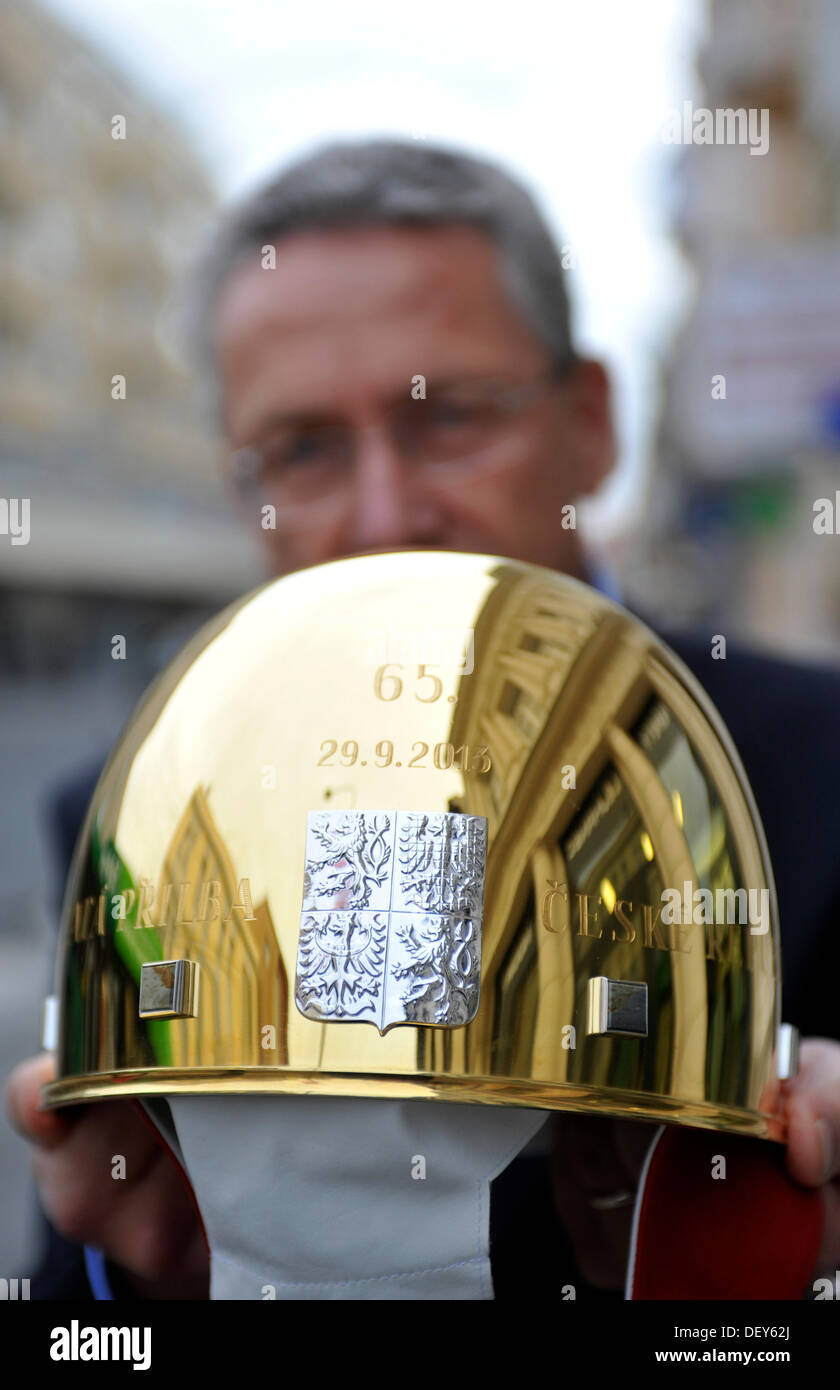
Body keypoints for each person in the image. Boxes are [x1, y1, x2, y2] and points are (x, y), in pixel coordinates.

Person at [6, 139, 840, 1301]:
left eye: (449, 417)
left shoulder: (821, 767)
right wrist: (137, 1266)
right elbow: (77, 1285)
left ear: (591, 424)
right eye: (302, 449)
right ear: (246, 491)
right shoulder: (126, 804)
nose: (387, 513)